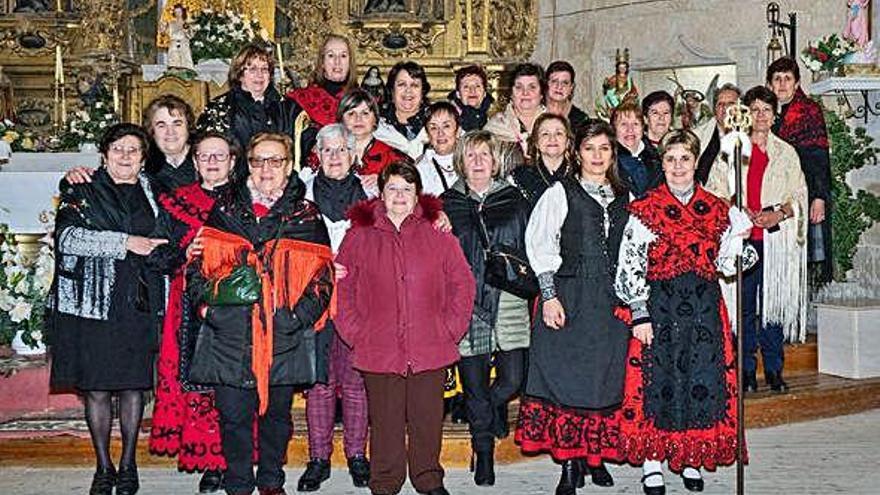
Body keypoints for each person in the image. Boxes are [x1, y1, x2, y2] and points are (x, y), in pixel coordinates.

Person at [186, 132, 335, 495]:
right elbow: (196, 269)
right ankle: (238, 482)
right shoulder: (224, 210)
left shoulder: (306, 214)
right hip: (230, 333)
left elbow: (323, 277)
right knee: (233, 416)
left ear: (288, 165)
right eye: (258, 161)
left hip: (282, 333)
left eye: (275, 160)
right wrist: (208, 310)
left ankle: (271, 479)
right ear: (247, 165)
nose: (266, 168)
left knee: (276, 417)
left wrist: (295, 318)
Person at [615, 130, 751, 495]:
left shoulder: (719, 208)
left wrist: (738, 245)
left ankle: (690, 457)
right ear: (662, 164)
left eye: (685, 159)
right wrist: (639, 313)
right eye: (670, 159)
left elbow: (727, 262)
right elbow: (630, 263)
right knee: (658, 383)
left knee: (699, 382)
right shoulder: (645, 208)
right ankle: (652, 463)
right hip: (660, 309)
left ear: (695, 163)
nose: (678, 167)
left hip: (705, 311)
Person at [335, 161, 476, 495]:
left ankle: (428, 478)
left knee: (428, 419)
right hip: (378, 346)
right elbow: (341, 288)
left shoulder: (438, 233)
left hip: (431, 344)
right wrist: (357, 332)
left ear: (417, 194)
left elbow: (463, 283)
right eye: (393, 189)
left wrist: (449, 328)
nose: (399, 196)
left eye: (407, 189)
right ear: (381, 193)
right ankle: (385, 481)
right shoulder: (359, 236)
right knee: (385, 422)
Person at [49, 123, 169, 495]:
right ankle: (104, 466)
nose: (125, 156)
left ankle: (130, 464)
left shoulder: (156, 190)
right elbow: (67, 238)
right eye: (118, 148)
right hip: (94, 303)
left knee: (134, 386)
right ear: (104, 154)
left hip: (141, 300)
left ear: (143, 157)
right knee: (97, 388)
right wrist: (126, 243)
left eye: (134, 150)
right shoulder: (81, 187)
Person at [517, 120, 630, 495]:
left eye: (604, 149)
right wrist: (548, 296)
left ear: (613, 153)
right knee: (568, 379)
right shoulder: (560, 193)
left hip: (610, 302)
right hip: (569, 296)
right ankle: (570, 464)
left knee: (601, 380)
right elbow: (540, 243)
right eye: (589, 149)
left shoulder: (624, 196)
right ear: (575, 153)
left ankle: (593, 458)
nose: (597, 156)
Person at [148, 132, 237, 494]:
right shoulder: (177, 203)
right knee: (199, 380)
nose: (212, 162)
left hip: (238, 303)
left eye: (220, 156)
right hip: (190, 306)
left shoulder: (248, 199)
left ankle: (240, 455)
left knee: (236, 381)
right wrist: (185, 253)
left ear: (233, 161)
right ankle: (212, 461)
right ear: (195, 161)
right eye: (205, 156)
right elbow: (156, 255)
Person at [440, 130, 531, 487]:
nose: (478, 161)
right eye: (471, 155)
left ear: (495, 161)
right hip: (467, 300)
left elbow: (531, 243)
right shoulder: (447, 203)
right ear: (461, 162)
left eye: (484, 155)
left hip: (507, 295)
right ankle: (484, 451)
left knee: (512, 378)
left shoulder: (514, 199)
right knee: (475, 384)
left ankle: (491, 410)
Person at [706, 86, 808, 394]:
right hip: (744, 239)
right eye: (755, 110)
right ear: (746, 114)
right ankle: (746, 370)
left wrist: (779, 213)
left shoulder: (786, 153)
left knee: (773, 305)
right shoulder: (732, 149)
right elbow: (713, 193)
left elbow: (800, 194)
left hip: (776, 241)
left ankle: (775, 369)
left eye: (767, 109)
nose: (761, 116)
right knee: (744, 306)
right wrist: (737, 210)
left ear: (775, 115)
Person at [296, 124, 370, 492]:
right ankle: (318, 458)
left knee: (357, 381)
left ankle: (357, 454)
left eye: (342, 150)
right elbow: (289, 250)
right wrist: (320, 268)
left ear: (353, 155)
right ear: (318, 156)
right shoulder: (301, 197)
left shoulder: (373, 197)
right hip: (316, 300)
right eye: (328, 151)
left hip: (360, 302)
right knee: (320, 383)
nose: (336, 157)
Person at [766, 57, 833, 283]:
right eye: (777, 79)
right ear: (769, 84)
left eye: (788, 78)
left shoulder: (809, 111)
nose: (782, 84)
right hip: (771, 194)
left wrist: (819, 198)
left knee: (800, 264)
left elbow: (819, 158)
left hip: (803, 193)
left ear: (796, 83)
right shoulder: (764, 112)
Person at [63, 95, 199, 194]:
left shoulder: (206, 158)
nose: (171, 132)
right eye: (161, 125)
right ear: (152, 131)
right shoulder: (140, 160)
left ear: (188, 127)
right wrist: (76, 176)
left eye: (177, 124)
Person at [196, 44, 297, 178]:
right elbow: (209, 153)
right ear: (239, 74)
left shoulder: (286, 107)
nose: (259, 75)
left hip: (277, 181)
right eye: (253, 69)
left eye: (264, 69)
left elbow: (295, 147)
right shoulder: (220, 108)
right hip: (235, 183)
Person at [288, 34, 359, 168]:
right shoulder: (300, 101)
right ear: (322, 62)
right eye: (331, 56)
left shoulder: (361, 103)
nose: (337, 62)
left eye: (343, 56)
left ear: (350, 62)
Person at [329, 88, 407, 195]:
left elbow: (412, 192)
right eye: (351, 113)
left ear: (375, 119)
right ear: (341, 120)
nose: (358, 119)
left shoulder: (393, 157)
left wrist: (385, 182)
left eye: (365, 113)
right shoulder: (326, 153)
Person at [510, 113, 574, 208]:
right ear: (536, 142)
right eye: (545, 134)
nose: (552, 138)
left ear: (568, 142)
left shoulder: (579, 176)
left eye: (559, 133)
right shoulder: (518, 178)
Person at [484, 63, 546, 157]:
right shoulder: (495, 127)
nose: (525, 93)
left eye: (532, 87)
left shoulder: (555, 126)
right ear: (511, 93)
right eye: (519, 87)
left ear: (541, 93)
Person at [374, 61, 431, 159]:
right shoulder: (376, 127)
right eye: (402, 84)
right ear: (392, 90)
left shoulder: (437, 123)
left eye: (414, 85)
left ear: (422, 92)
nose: (408, 90)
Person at [693, 83, 741, 185]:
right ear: (715, 109)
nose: (725, 108)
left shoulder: (751, 136)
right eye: (720, 104)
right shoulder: (697, 135)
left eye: (731, 104)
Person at [612, 101, 662, 197]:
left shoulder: (657, 159)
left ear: (643, 128)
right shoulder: (608, 162)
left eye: (635, 124)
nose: (630, 129)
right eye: (623, 124)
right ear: (614, 129)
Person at [416, 101, 462, 196]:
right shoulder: (420, 168)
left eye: (446, 126)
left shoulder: (471, 160)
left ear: (458, 130)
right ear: (428, 134)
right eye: (433, 128)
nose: (440, 133)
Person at [545, 60, 590, 131]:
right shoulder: (533, 112)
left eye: (565, 83)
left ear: (571, 88)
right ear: (546, 84)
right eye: (554, 81)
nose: (559, 87)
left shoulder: (581, 120)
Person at [448, 64, 495, 131]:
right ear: (458, 94)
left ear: (484, 93)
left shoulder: (496, 120)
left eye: (477, 86)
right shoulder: (448, 120)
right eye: (466, 87)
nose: (472, 90)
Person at [162, 4, 194, 70]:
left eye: (179, 12)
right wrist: (163, 29)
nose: (178, 14)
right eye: (176, 12)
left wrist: (186, 30)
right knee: (173, 65)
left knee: (185, 65)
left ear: (182, 12)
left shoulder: (187, 23)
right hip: (173, 46)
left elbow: (191, 35)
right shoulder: (171, 23)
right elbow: (166, 33)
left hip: (184, 45)